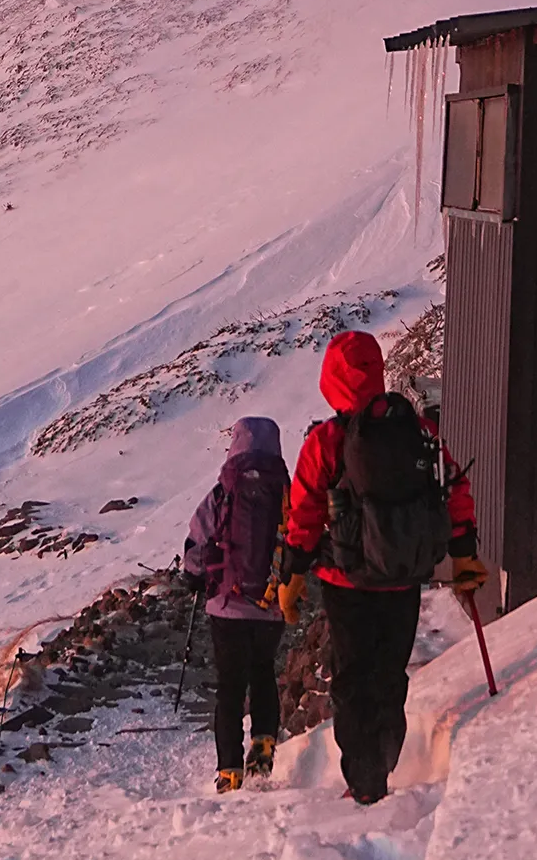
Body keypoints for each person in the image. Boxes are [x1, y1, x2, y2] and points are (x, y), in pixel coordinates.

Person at [277, 330, 484, 805]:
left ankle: (365, 780)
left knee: (353, 679)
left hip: (347, 582)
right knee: (389, 675)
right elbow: (452, 489)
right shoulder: (417, 431)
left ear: (329, 381)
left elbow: (305, 513)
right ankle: (385, 761)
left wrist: (291, 575)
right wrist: (465, 553)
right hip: (403, 578)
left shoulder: (326, 441)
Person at [182, 417, 291, 793]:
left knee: (229, 687)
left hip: (227, 605)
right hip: (270, 602)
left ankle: (229, 768)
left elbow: (198, 536)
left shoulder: (224, 490)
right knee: (263, 671)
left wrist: (194, 575)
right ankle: (263, 742)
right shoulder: (284, 489)